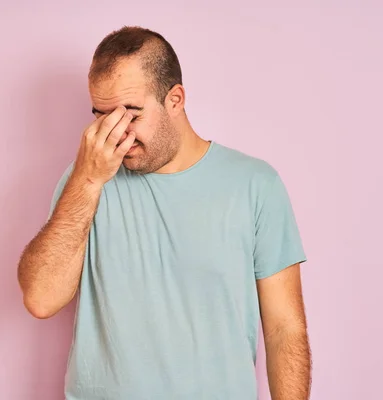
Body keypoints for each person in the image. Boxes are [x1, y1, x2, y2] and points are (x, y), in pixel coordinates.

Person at [17, 25, 311, 400]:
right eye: (102, 117)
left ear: (175, 99)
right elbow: (41, 299)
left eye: (131, 115)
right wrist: (87, 182)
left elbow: (285, 327)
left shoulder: (255, 184)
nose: (116, 134)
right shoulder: (85, 179)